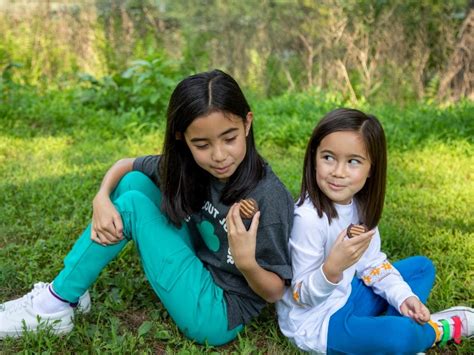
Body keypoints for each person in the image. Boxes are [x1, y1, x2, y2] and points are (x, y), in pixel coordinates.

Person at [0, 69, 294, 345]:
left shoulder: (268, 195)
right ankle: (70, 294)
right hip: (199, 261)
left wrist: (247, 263)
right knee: (134, 183)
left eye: (229, 139)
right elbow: (125, 165)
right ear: (183, 139)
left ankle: (54, 306)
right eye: (202, 145)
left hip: (219, 312)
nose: (218, 156)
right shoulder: (190, 166)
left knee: (131, 205)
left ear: (247, 123)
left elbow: (275, 291)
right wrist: (100, 198)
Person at [276, 108, 473, 354]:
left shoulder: (359, 206)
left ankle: (391, 326)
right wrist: (332, 268)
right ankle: (436, 329)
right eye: (328, 157)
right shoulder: (308, 219)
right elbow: (301, 296)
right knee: (400, 337)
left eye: (353, 162)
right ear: (314, 157)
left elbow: (371, 265)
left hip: (348, 294)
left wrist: (403, 298)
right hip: (318, 322)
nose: (338, 171)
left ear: (371, 169)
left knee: (422, 267)